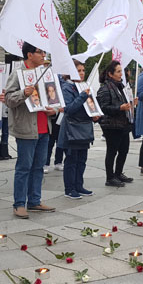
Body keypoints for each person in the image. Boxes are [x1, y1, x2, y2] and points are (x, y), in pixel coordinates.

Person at [4, 42, 58, 219]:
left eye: (44, 52)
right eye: (40, 52)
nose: (43, 55)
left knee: (38, 167)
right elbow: (9, 99)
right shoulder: (18, 73)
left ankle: (34, 201)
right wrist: (23, 93)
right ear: (29, 55)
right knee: (24, 167)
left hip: (44, 126)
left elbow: (53, 99)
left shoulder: (45, 73)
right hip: (26, 128)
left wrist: (54, 110)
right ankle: (19, 204)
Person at [57, 61, 95, 199]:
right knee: (71, 159)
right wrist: (83, 96)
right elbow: (69, 108)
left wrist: (95, 113)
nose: (82, 73)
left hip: (84, 128)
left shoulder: (83, 87)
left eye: (83, 70)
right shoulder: (67, 87)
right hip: (72, 129)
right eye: (78, 70)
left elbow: (88, 106)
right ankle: (69, 188)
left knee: (82, 159)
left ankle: (79, 185)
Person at [97, 60, 134, 187]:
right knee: (112, 151)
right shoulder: (105, 88)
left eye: (121, 72)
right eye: (118, 72)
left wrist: (132, 104)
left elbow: (125, 102)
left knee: (124, 150)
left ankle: (118, 173)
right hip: (111, 125)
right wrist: (120, 108)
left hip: (123, 124)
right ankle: (110, 177)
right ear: (110, 74)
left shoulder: (121, 87)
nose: (120, 74)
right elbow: (104, 107)